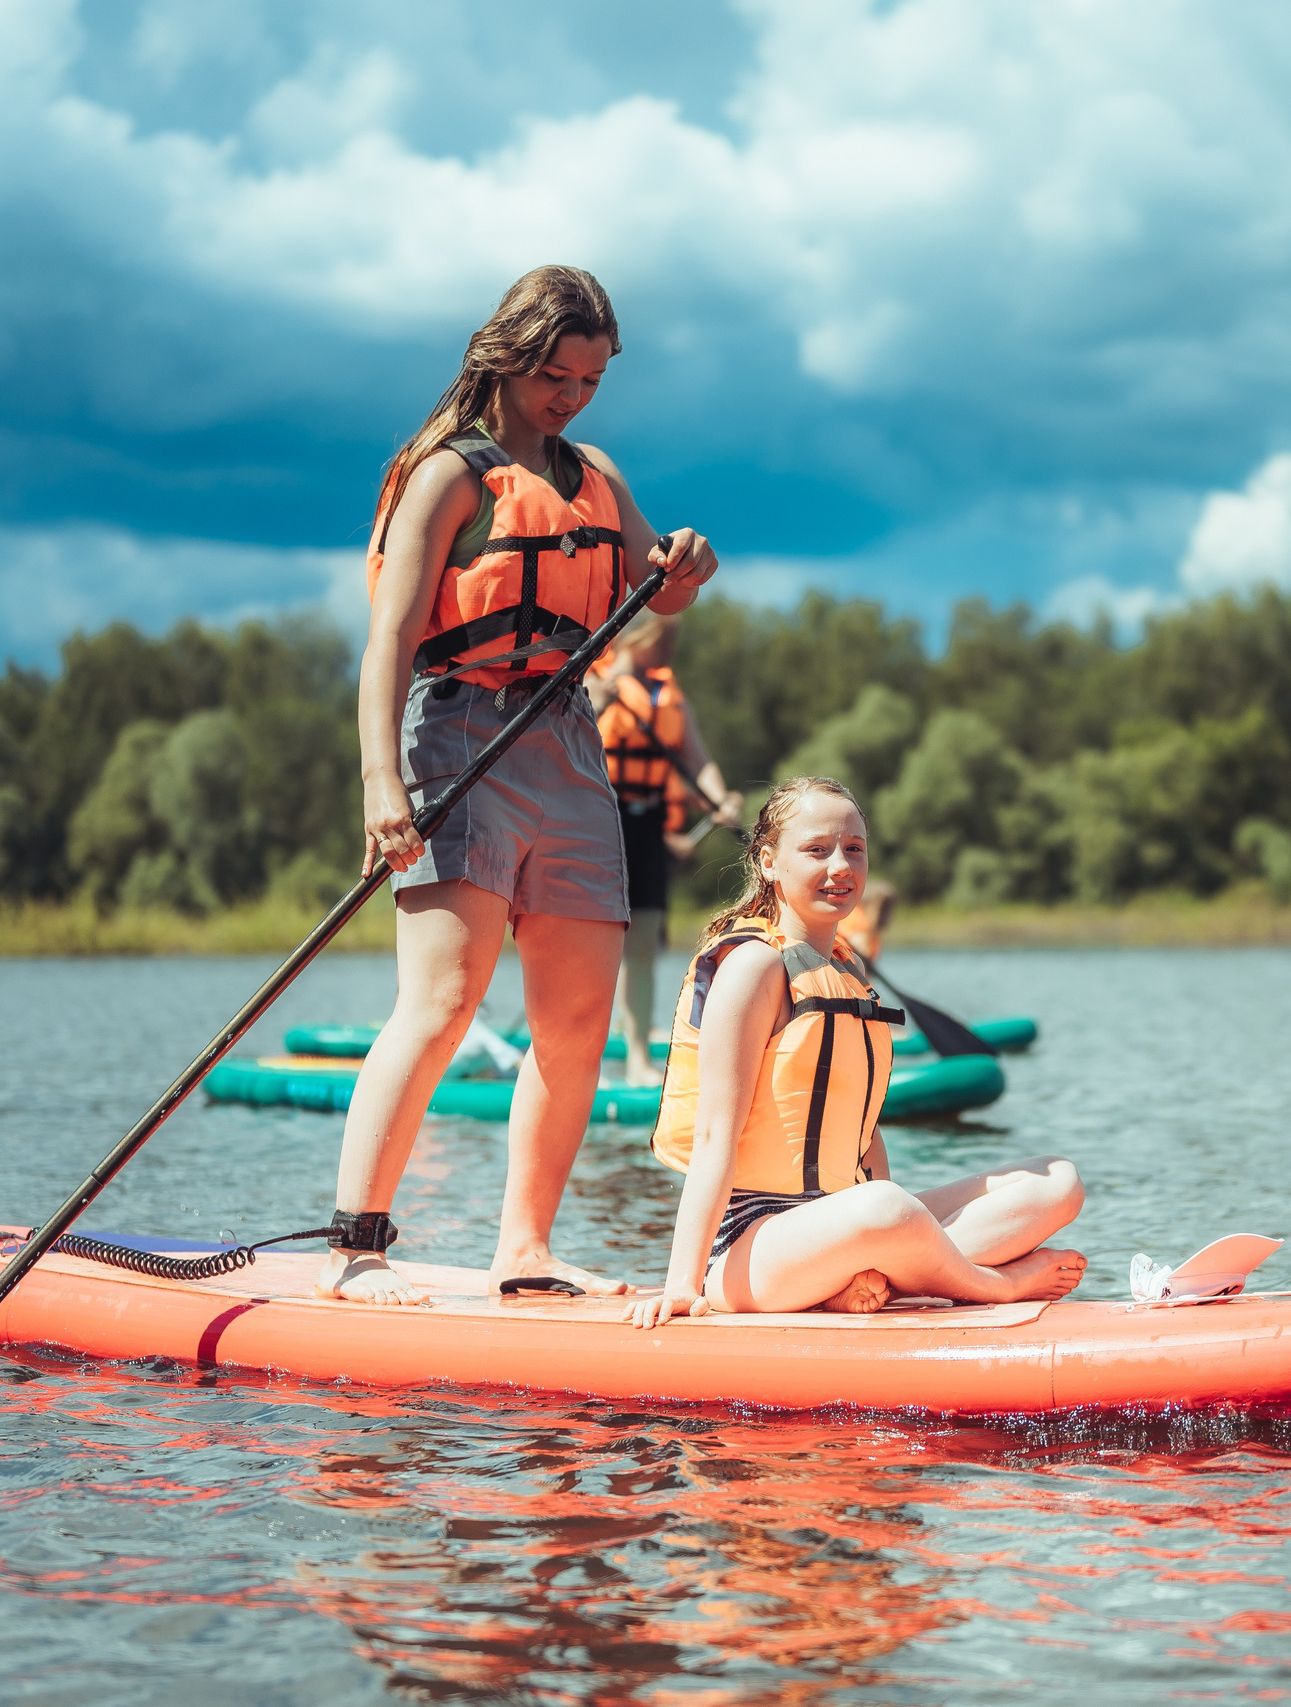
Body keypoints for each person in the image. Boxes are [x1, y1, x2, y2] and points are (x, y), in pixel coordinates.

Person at [334, 265, 719, 1305]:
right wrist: (381, 784)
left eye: (590, 381)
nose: (572, 398)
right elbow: (388, 641)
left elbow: (660, 593)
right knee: (443, 1001)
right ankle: (355, 1248)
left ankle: (525, 1249)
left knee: (577, 1016)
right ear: (506, 358)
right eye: (556, 376)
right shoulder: (447, 476)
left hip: (568, 743)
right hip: (461, 734)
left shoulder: (595, 474)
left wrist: (686, 562)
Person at [624, 777, 1086, 1327]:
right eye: (816, 850)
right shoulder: (752, 968)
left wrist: (893, 1223)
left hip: (849, 1220)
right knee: (887, 1207)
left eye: (854, 849)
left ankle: (873, 1278)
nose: (840, 866)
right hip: (749, 1243)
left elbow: (866, 1133)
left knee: (1057, 1182)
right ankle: (994, 1285)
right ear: (769, 862)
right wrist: (682, 1283)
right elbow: (712, 1136)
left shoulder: (848, 970)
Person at [591, 611, 744, 1087]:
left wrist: (721, 798)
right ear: (636, 634)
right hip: (599, 818)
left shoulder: (669, 693)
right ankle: (580, 1059)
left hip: (649, 826)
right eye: (663, 637)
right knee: (595, 945)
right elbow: (561, 737)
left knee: (642, 943)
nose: (668, 649)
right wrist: (599, 699)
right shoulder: (594, 678)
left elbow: (698, 759)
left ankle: (638, 1060)